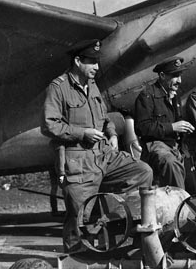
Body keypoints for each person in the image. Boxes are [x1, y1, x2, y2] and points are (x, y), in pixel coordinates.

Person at [42, 39, 153, 253]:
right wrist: (82, 133)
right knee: (79, 217)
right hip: (78, 160)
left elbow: (104, 118)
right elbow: (48, 125)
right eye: (92, 62)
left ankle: (119, 231)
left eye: (97, 62)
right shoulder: (58, 88)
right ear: (77, 61)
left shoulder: (92, 86)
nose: (97, 67)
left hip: (103, 154)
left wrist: (111, 134)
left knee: (142, 172)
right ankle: (75, 263)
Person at [134, 56, 195, 189]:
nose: (179, 80)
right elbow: (142, 128)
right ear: (162, 75)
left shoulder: (174, 95)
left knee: (192, 171)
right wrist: (172, 127)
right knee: (170, 163)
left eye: (180, 75)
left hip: (174, 146)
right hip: (156, 146)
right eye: (175, 76)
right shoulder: (147, 95)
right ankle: (181, 204)